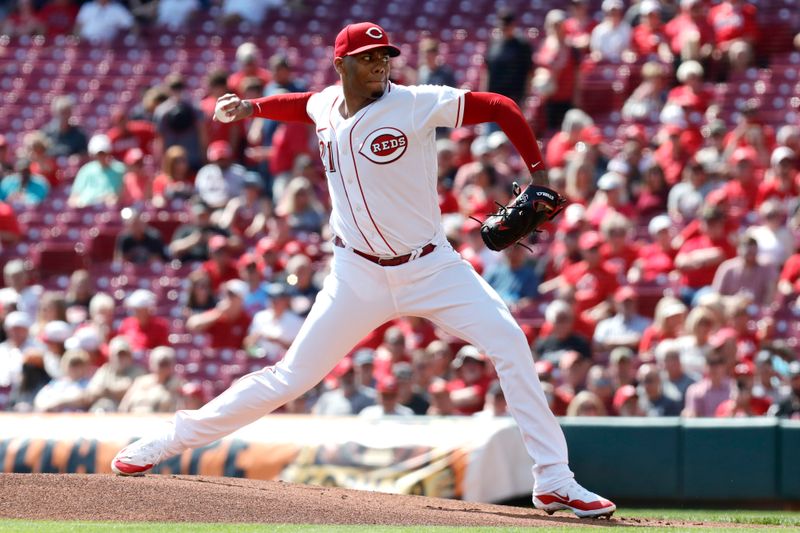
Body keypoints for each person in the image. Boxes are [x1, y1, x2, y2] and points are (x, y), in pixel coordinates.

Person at [111, 22, 616, 518]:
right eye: (368, 58)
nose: (380, 64)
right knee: (289, 377)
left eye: (384, 56)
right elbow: (302, 104)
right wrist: (252, 107)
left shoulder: (415, 103)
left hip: (431, 265)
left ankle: (554, 478)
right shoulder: (326, 104)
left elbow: (501, 106)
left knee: (508, 341)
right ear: (342, 65)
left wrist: (539, 174)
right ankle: (164, 442)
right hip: (356, 274)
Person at [68, 134, 125, 208]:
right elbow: (73, 198)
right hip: (86, 210)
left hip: (109, 211)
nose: (101, 156)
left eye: (103, 153)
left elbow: (123, 195)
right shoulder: (86, 170)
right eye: (99, 154)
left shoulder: (120, 169)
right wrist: (80, 203)